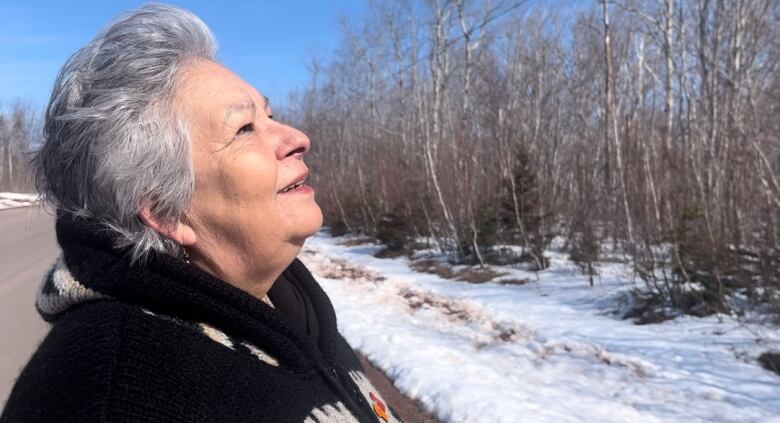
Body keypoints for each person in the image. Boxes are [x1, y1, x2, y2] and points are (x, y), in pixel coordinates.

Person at [1, 4, 399, 423]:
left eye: (270, 115)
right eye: (244, 129)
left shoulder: (286, 302)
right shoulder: (111, 397)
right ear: (164, 211)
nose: (298, 137)